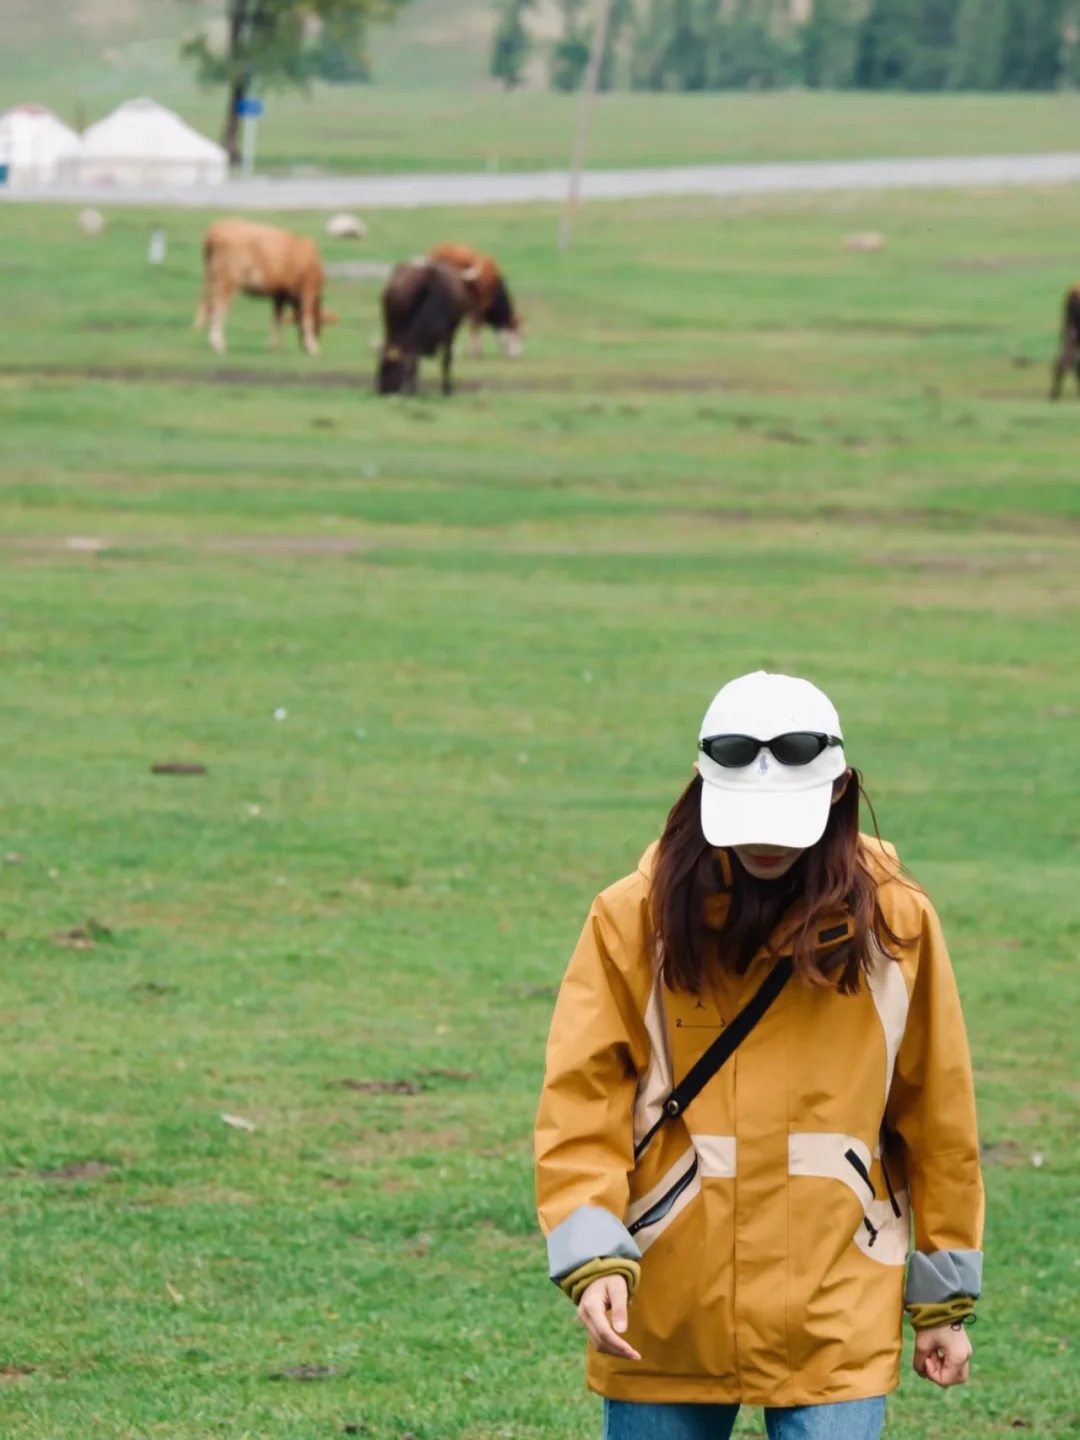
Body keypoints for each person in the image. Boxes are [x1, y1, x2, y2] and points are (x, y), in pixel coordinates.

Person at [535, 672, 983, 1440]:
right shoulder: (631, 917)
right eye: (748, 816)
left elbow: (936, 1113)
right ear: (702, 787)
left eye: (789, 817)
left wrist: (942, 1300)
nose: (767, 840)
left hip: (835, 1307)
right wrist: (594, 1258)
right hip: (666, 1303)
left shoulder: (897, 922)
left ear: (840, 791)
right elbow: (582, 1101)